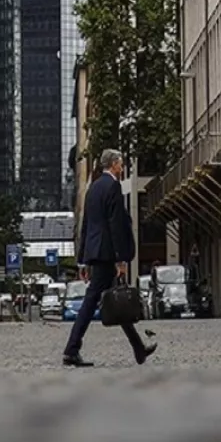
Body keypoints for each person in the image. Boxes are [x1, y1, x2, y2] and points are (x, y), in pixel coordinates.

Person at [63, 148, 156, 368]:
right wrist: (120, 259)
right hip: (107, 253)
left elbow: (86, 225)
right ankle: (71, 349)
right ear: (113, 164)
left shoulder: (94, 187)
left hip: (95, 251)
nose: (122, 167)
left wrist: (83, 259)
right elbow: (116, 224)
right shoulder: (113, 186)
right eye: (121, 163)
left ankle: (138, 348)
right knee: (92, 301)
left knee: (118, 300)